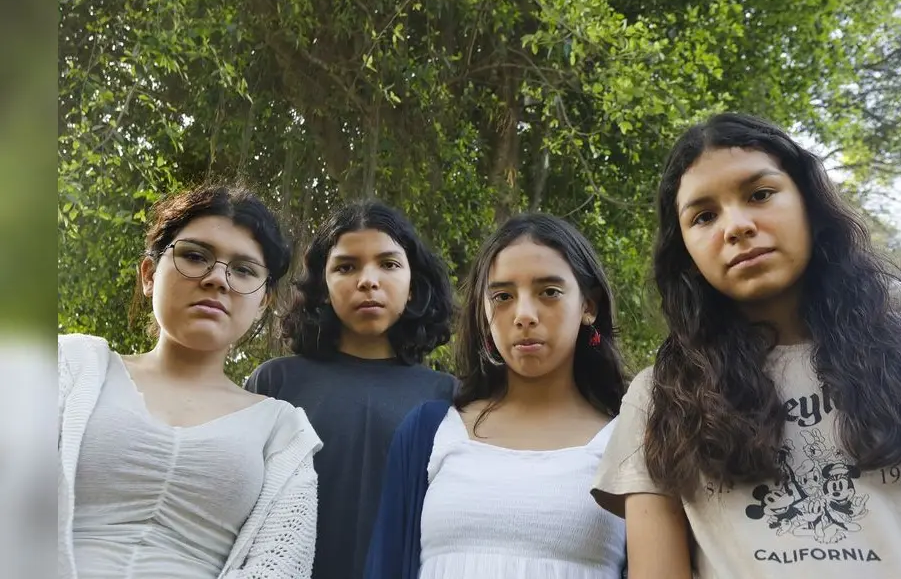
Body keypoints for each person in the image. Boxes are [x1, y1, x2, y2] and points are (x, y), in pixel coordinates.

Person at [592, 112, 901, 578]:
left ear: (810, 206)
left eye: (760, 194)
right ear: (688, 254)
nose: (735, 226)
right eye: (704, 216)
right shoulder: (661, 396)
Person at [58, 181, 323, 579]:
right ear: (149, 274)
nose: (217, 279)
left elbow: (279, 567)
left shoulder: (283, 433)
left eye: (244, 270)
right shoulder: (68, 368)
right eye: (195, 256)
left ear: (263, 300)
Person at [366, 213, 628, 579]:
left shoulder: (629, 442)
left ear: (589, 306)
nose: (523, 315)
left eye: (549, 292)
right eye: (503, 296)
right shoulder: (429, 433)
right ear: (483, 311)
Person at [246, 200, 456, 579]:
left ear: (412, 287)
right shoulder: (275, 383)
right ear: (324, 287)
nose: (368, 280)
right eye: (346, 266)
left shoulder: (450, 398)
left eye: (389, 264)